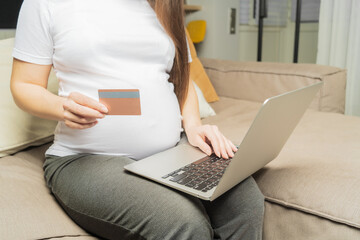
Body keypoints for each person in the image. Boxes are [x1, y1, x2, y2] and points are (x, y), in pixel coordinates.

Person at [10, 0, 264, 239]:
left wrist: (194, 125)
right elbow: (24, 85)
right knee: (184, 222)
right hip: (84, 157)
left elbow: (182, 80)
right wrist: (61, 106)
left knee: (246, 204)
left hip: (171, 152)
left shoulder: (164, 4)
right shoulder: (45, 4)